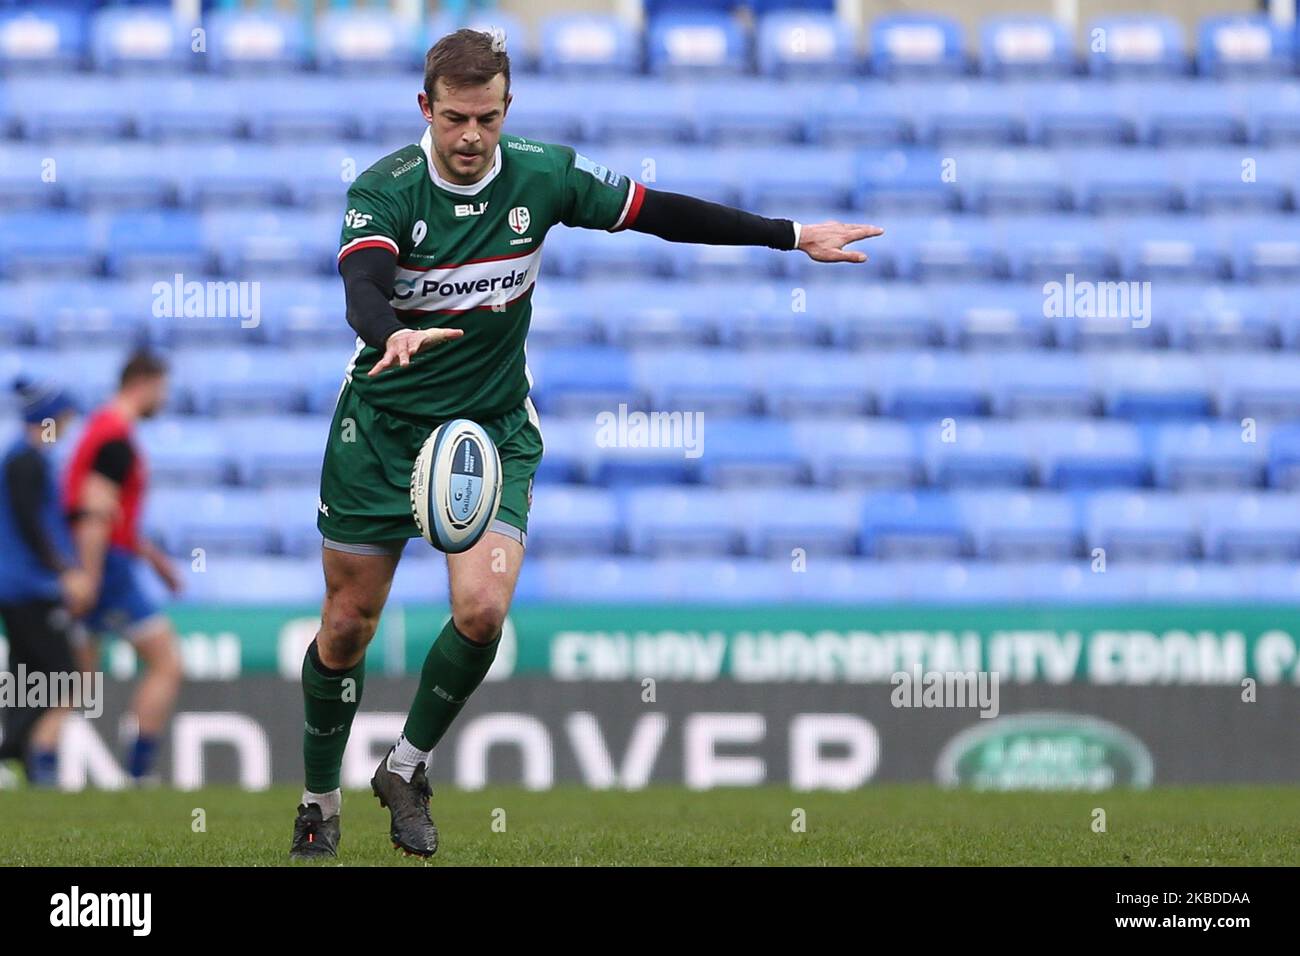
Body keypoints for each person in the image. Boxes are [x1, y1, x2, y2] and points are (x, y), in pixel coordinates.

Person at [291, 27, 883, 859]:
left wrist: (789, 235)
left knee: (484, 610)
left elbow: (660, 213)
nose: (470, 137)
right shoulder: (382, 190)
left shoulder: (545, 174)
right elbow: (361, 281)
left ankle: (406, 765)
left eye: (486, 119)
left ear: (507, 109)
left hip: (488, 431)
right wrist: (389, 330)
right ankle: (319, 803)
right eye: (455, 118)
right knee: (349, 623)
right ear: (426, 108)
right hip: (380, 431)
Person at [64, 351, 184, 784]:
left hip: (108, 560)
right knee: (167, 663)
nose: (163, 400)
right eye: (162, 390)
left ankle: (36, 762)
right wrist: (91, 577)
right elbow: (95, 511)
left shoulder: (102, 430)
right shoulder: (115, 437)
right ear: (144, 383)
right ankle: (138, 768)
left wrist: (157, 562)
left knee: (77, 675)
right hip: (108, 568)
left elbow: (110, 511)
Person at [0, 380, 94, 785]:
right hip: (28, 588)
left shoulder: (27, 460)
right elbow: (31, 525)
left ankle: (21, 756)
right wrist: (65, 572)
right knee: (65, 674)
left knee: (25, 676)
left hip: (21, 585)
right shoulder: (27, 461)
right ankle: (18, 751)